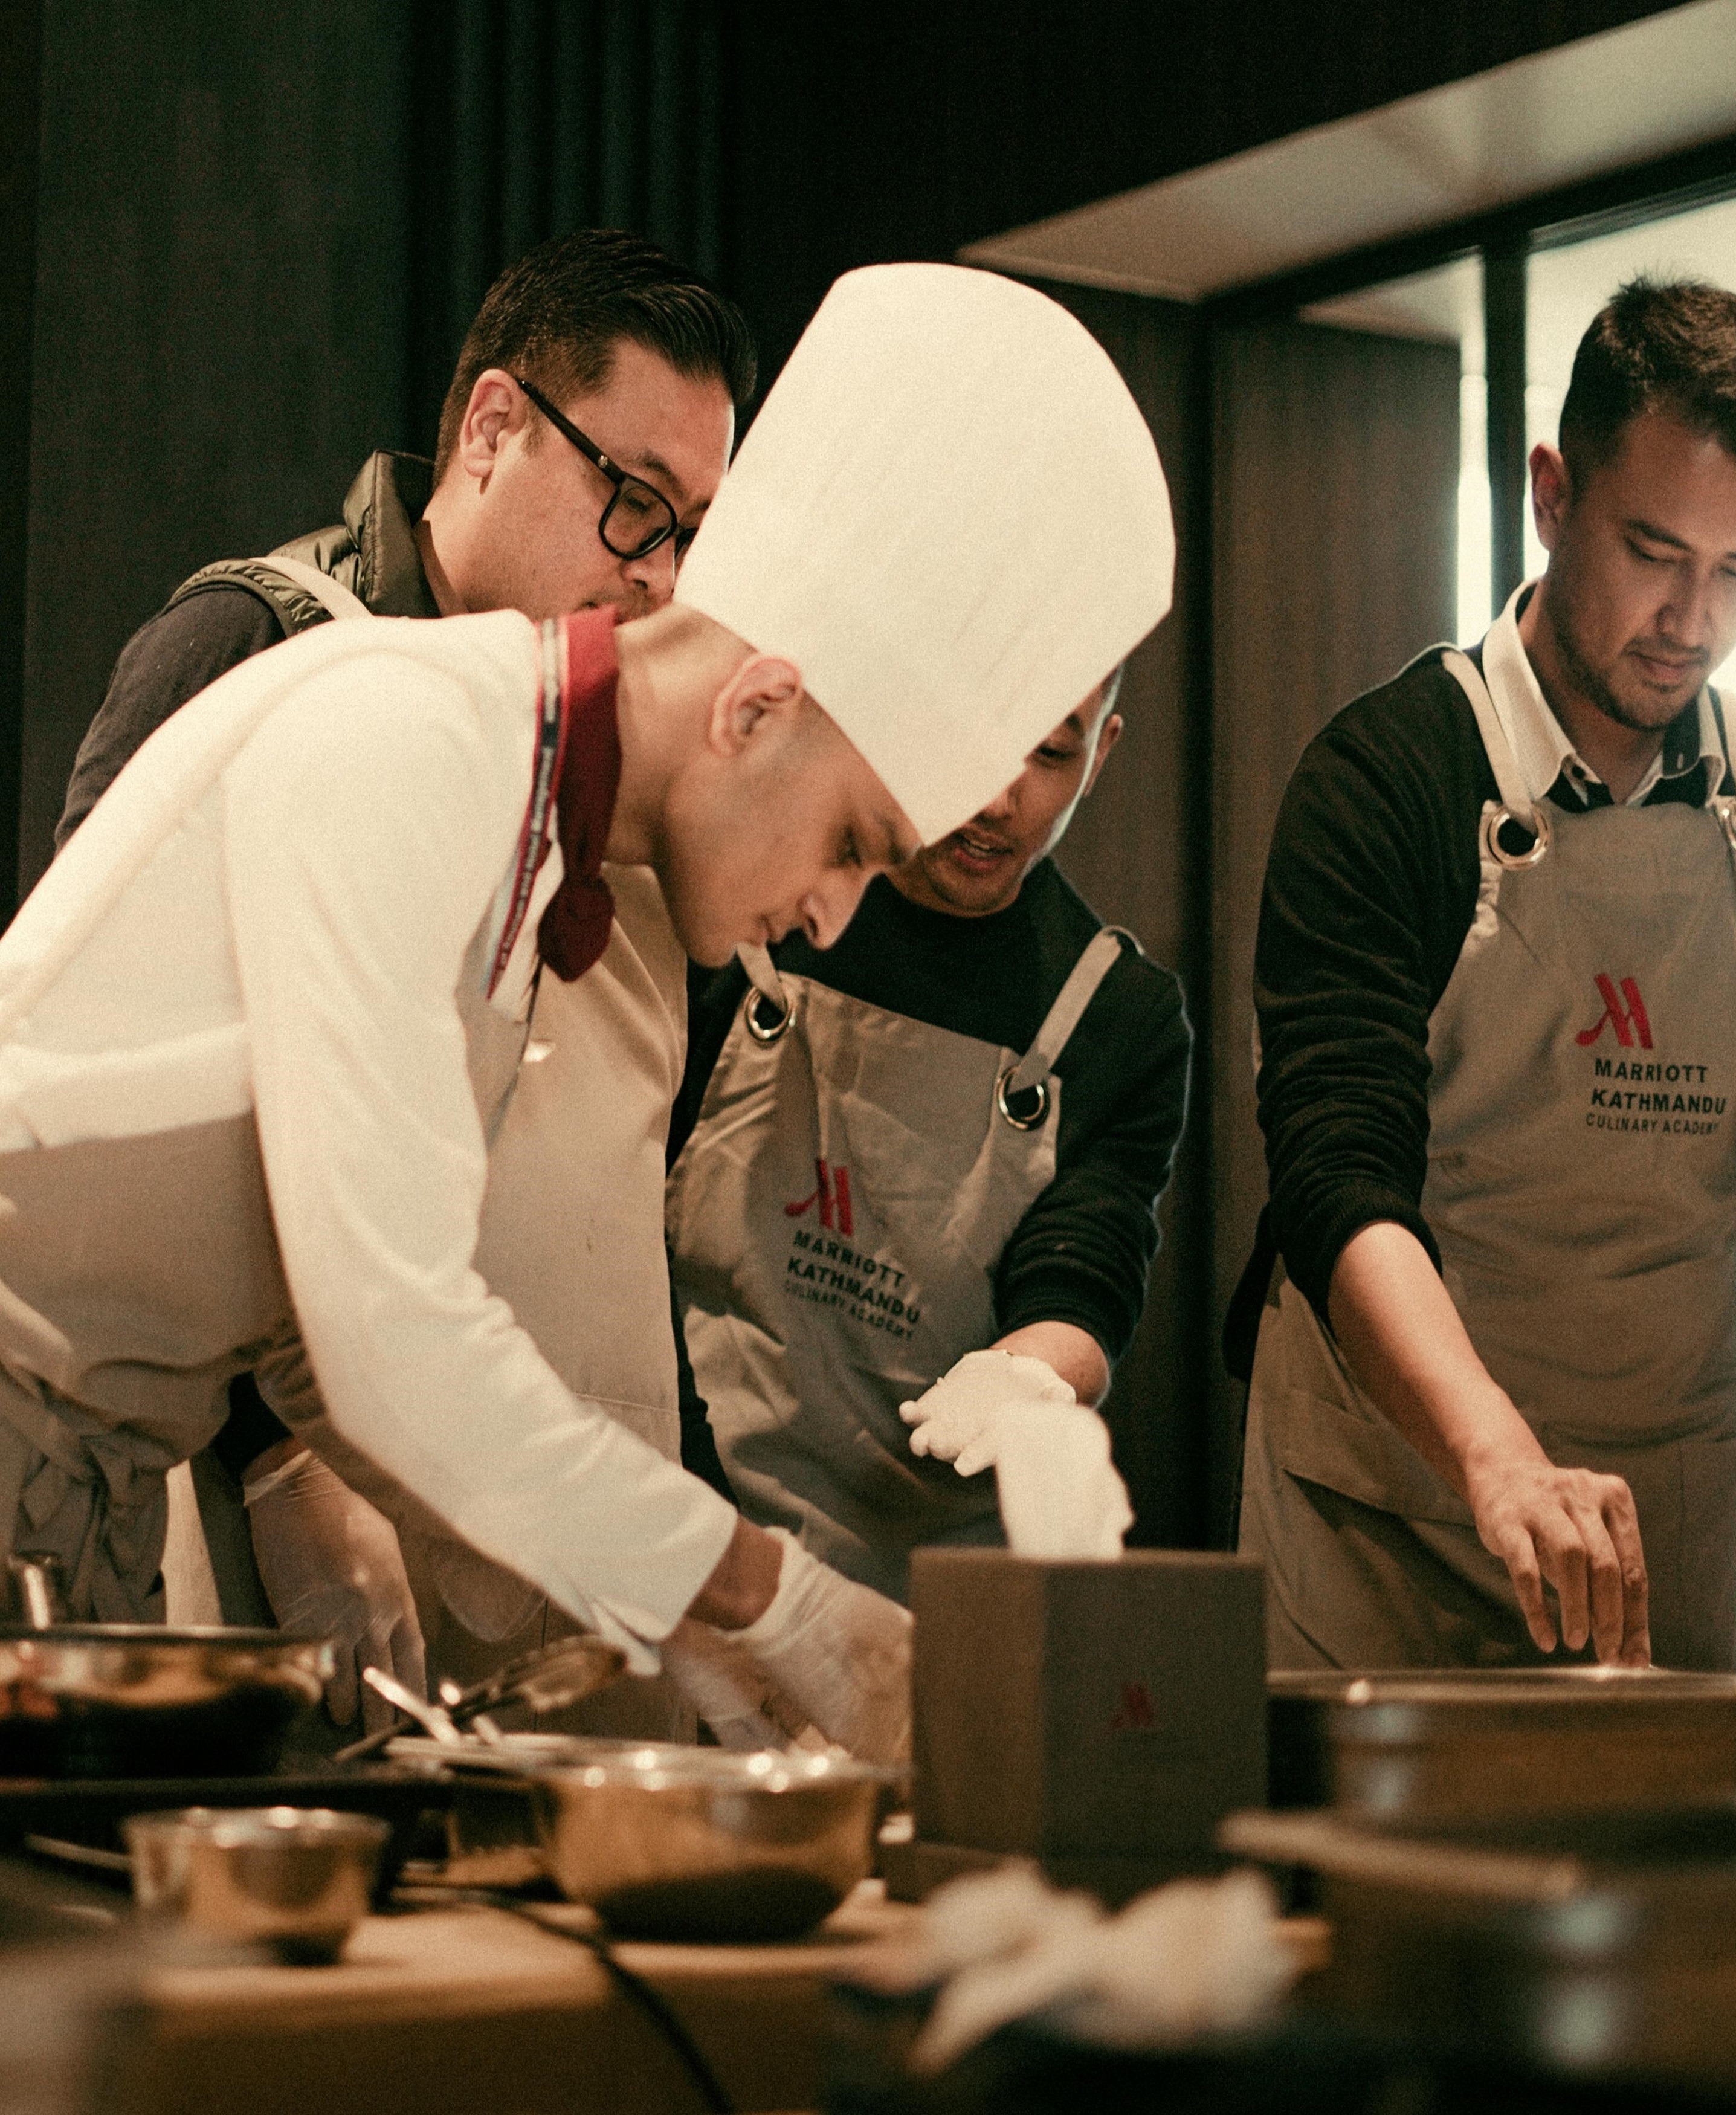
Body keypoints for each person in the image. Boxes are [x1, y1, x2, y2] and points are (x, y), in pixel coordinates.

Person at [0, 261, 1176, 1761]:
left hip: (71, 1489)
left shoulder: (520, 812)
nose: (827, 916)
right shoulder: (405, 739)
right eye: (850, 846)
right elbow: (392, 1332)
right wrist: (770, 1600)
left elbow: (321, 1310)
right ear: (757, 710)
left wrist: (647, 1622)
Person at [1232, 276, 1736, 1720]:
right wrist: (1497, 1461)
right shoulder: (1386, 780)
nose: (1689, 618)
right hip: (1385, 1530)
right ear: (1550, 494)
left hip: (1653, 1547)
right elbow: (1339, 1178)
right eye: (1653, 550)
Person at [55, 228, 750, 1738]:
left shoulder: (604, 756)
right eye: (631, 505)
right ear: (493, 427)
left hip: (510, 1480)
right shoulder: (268, 647)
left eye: (689, 533)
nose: (656, 578)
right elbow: (136, 1116)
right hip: (254, 1475)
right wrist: (287, 1465)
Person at [666, 661, 1189, 1603]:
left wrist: (1028, 1378)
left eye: (1051, 750)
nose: (999, 798)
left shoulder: (1118, 1016)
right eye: (980, 733)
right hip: (690, 1526)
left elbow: (1084, 1276)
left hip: (937, 1591)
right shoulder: (751, 897)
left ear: (1102, 754)